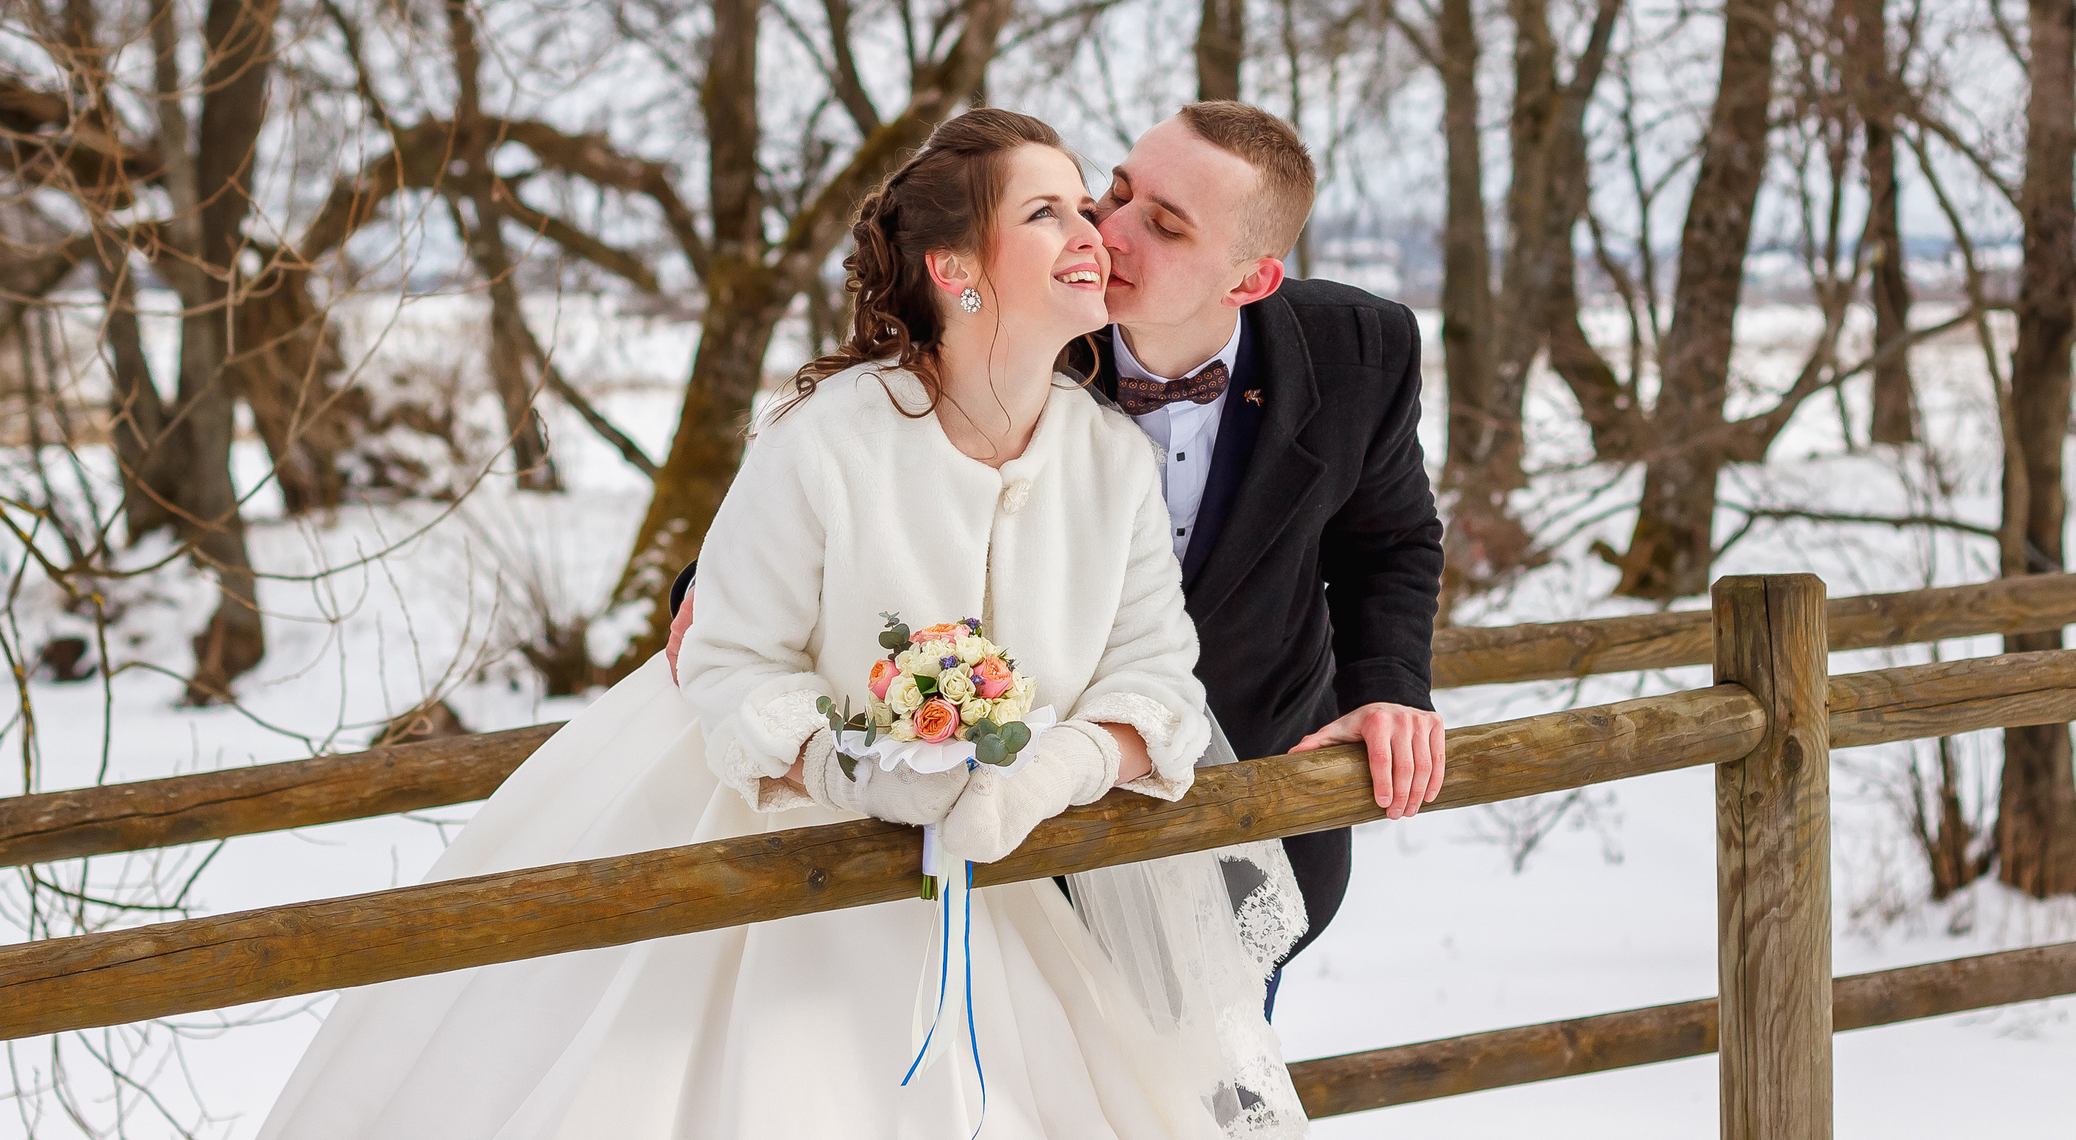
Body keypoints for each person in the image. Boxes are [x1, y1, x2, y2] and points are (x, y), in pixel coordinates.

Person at [259, 110, 1307, 1140]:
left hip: (993, 879)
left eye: (1090, 205)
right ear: (956, 268)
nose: (1095, 236)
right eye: (1051, 213)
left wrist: (1052, 770)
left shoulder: (1107, 458)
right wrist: (856, 770)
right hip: (764, 853)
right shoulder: (827, 437)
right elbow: (728, 658)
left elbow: (1158, 682)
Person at [676, 102, 1448, 984]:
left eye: (1162, 223)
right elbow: (868, 473)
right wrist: (705, 591)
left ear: (1250, 280)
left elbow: (1388, 540)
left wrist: (1391, 689)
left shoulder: (1361, 349)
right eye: (1111, 191)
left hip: (1238, 821)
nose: (1105, 230)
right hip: (974, 868)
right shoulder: (1035, 323)